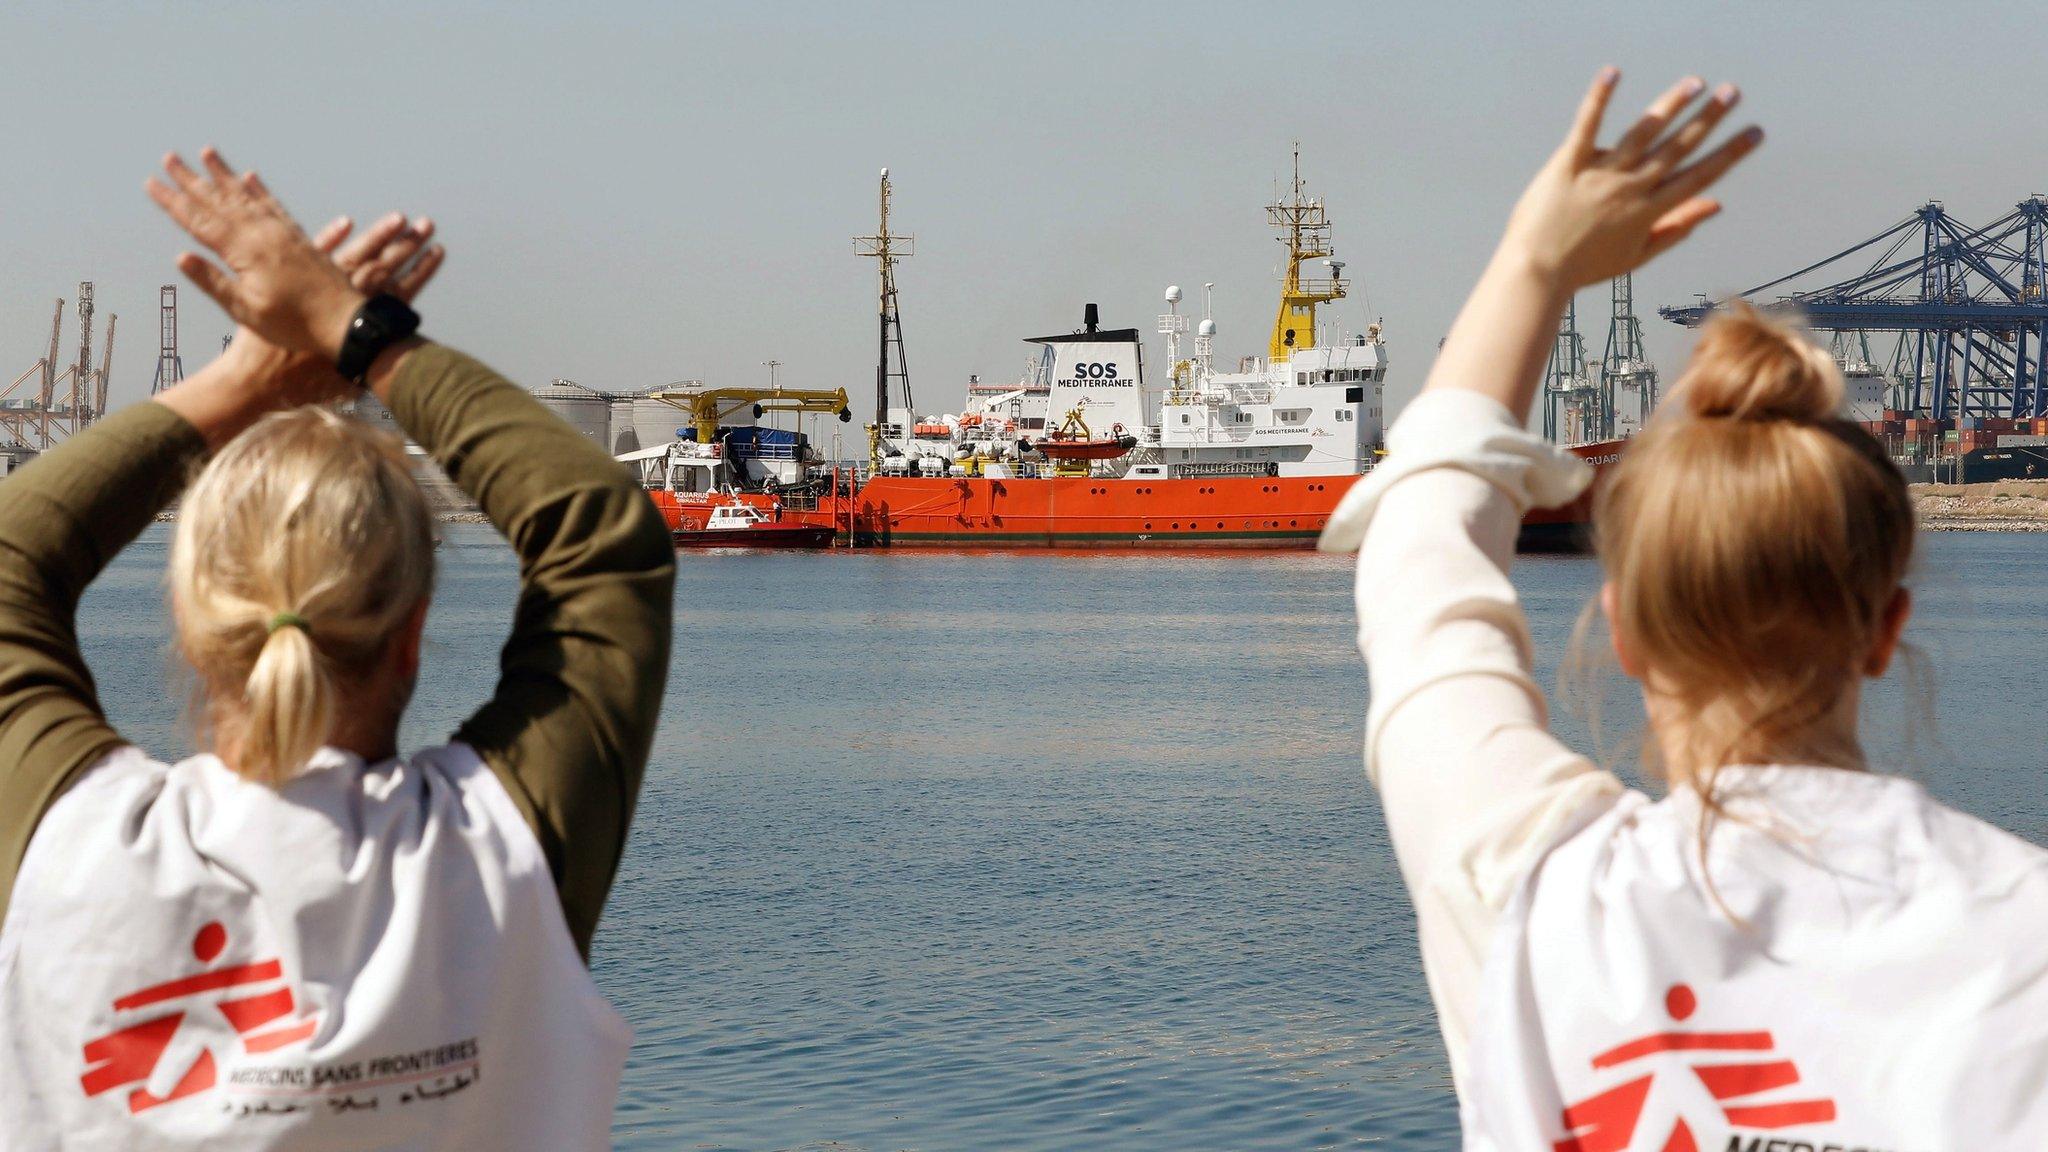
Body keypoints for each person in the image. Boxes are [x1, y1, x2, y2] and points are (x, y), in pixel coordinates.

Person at [1320, 71, 2048, 1149]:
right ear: (1886, 631)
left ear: (1619, 627)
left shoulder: (1529, 894)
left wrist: (1536, 262)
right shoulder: (2020, 937)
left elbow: (1419, 539)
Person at [0, 150, 675, 1149]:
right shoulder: (498, 863)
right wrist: (362, 334)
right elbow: (605, 535)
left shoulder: (70, 850)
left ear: (192, 621)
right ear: (411, 634)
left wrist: (247, 379)